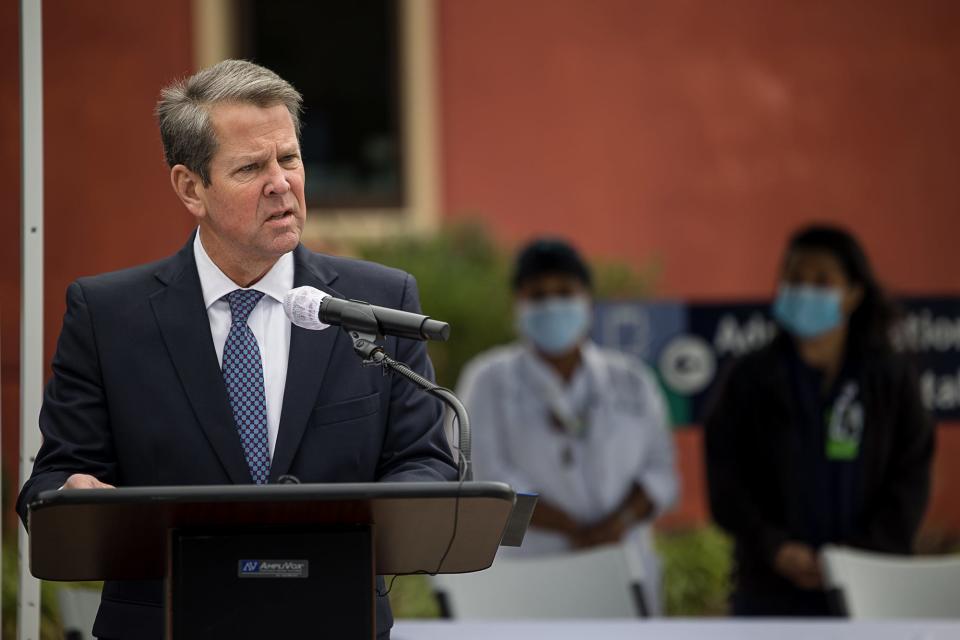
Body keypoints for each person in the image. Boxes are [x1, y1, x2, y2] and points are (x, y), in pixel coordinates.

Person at [16, 60, 456, 639]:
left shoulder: (378, 302)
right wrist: (73, 497)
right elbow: (50, 484)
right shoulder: (107, 317)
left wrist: (361, 519)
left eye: (290, 158)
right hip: (166, 626)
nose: (282, 183)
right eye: (251, 167)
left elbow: (424, 462)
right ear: (190, 187)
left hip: (335, 619)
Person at [705, 224, 934, 617]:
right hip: (770, 586)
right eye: (794, 279)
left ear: (853, 294)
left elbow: (911, 473)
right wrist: (774, 546)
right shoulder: (750, 378)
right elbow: (726, 478)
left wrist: (858, 555)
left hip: (872, 582)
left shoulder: (889, 378)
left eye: (822, 281)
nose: (805, 291)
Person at [457, 238, 679, 615]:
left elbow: (660, 474)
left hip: (623, 565)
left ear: (587, 300)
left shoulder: (633, 380)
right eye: (538, 295)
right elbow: (486, 481)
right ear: (519, 305)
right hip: (532, 574)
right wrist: (574, 530)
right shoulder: (488, 380)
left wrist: (613, 527)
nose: (552, 305)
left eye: (564, 292)